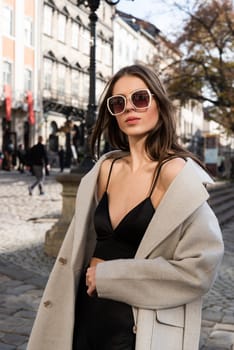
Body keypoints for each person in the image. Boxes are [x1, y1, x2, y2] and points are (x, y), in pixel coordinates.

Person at [27, 65, 224, 350]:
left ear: (158, 102)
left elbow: (200, 268)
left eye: (140, 98)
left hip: (136, 325)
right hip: (85, 315)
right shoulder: (105, 169)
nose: (130, 108)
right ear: (113, 114)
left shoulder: (175, 174)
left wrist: (110, 276)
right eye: (119, 103)